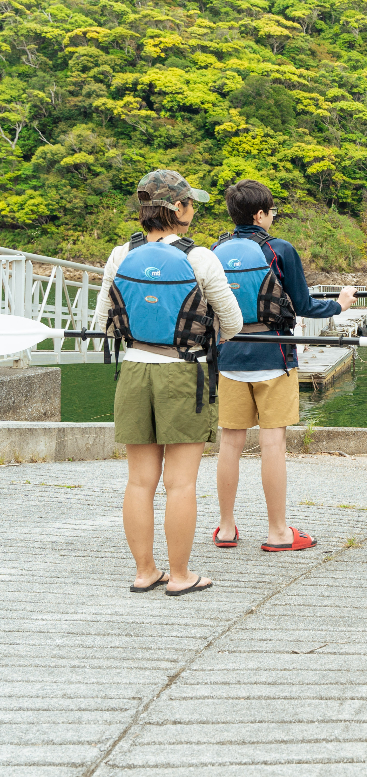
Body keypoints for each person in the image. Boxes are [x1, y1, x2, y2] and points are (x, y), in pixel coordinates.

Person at [94, 169, 244, 596]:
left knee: (139, 480)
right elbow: (231, 322)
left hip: (135, 371)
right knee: (181, 482)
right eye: (190, 203)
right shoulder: (200, 257)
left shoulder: (120, 255)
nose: (193, 209)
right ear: (177, 208)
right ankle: (180, 576)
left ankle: (145, 572)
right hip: (185, 372)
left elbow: (104, 323)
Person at [211, 180, 355, 552]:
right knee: (272, 443)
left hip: (228, 357)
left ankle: (226, 528)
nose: (272, 217)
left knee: (230, 442)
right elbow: (305, 305)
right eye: (272, 212)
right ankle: (277, 532)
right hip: (273, 357)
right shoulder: (280, 249)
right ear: (260, 215)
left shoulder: (215, 251)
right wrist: (339, 304)